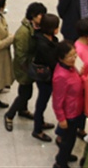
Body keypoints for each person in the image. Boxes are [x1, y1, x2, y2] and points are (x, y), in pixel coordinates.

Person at [4, 2, 47, 131]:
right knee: (25, 94)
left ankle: (22, 110)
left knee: (25, 91)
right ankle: (9, 115)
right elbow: (20, 55)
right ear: (33, 16)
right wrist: (28, 70)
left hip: (29, 66)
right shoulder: (23, 32)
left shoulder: (35, 27)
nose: (43, 18)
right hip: (24, 68)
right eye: (40, 15)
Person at [52, 41, 85, 168]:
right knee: (68, 141)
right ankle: (60, 163)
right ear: (61, 58)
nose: (74, 58)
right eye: (70, 56)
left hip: (76, 109)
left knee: (71, 139)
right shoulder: (60, 76)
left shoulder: (71, 68)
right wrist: (61, 118)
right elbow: (57, 100)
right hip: (69, 113)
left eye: (75, 55)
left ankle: (65, 155)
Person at [32, 13, 60, 142]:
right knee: (42, 102)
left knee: (43, 101)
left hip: (48, 76)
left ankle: (40, 121)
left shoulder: (51, 39)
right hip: (45, 78)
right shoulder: (43, 44)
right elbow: (52, 62)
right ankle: (37, 129)